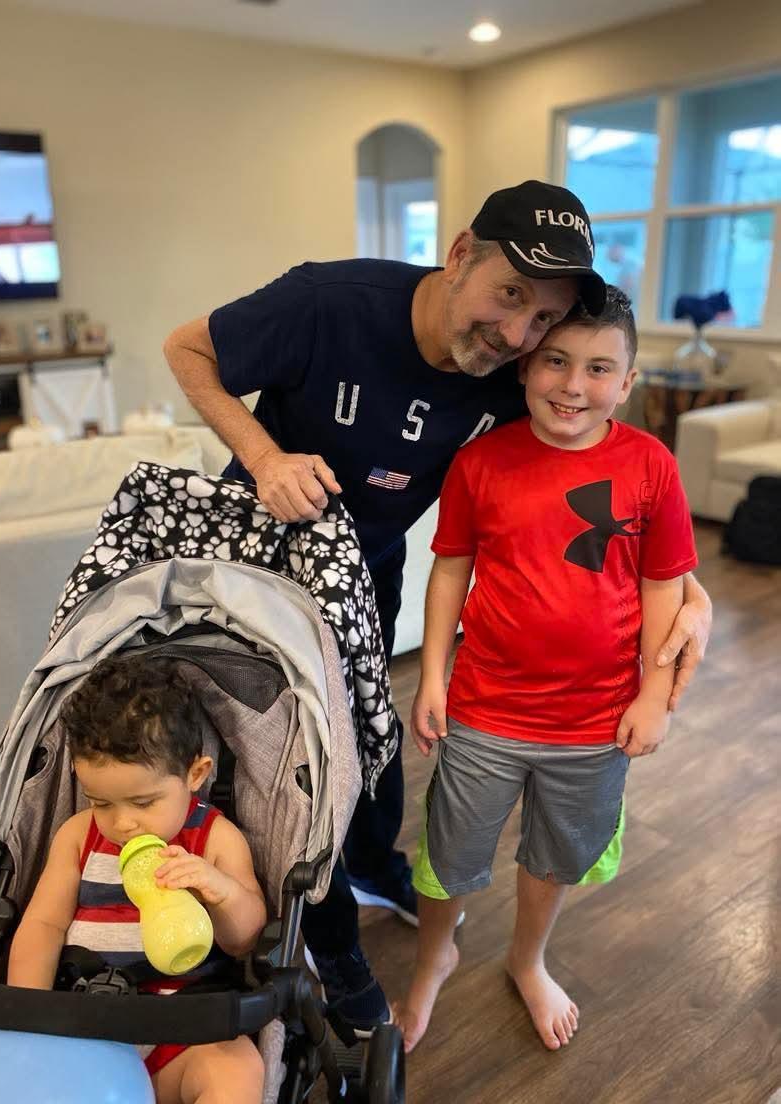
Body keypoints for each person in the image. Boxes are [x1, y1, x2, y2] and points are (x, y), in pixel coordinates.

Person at [163, 181, 712, 1035]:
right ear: (459, 255)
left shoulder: (518, 377)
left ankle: (371, 870)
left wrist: (694, 598)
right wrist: (266, 459)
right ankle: (314, 938)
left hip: (366, 577)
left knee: (364, 742)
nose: (517, 335)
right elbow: (186, 348)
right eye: (510, 295)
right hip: (254, 570)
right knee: (275, 757)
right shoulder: (330, 301)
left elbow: (615, 501)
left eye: (542, 320)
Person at [395, 287, 699, 1055]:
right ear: (526, 366)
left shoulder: (651, 466)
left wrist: (655, 696)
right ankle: (434, 957)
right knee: (449, 854)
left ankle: (527, 960)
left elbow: (663, 587)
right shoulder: (481, 463)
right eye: (557, 361)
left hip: (595, 722)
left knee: (556, 854)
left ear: (627, 383)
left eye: (598, 368)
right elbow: (450, 569)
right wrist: (431, 676)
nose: (573, 385)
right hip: (484, 710)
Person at [8, 655, 267, 1104]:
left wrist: (220, 891)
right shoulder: (78, 836)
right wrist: (27, 1016)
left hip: (182, 1029)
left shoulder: (213, 839)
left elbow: (244, 941)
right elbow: (43, 925)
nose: (123, 823)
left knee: (237, 1068)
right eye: (101, 803)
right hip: (86, 1024)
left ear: (195, 774)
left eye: (144, 803)